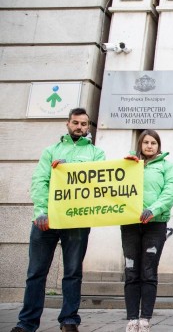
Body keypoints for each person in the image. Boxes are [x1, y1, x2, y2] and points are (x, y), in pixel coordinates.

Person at [12, 108, 106, 332]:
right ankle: (26, 324)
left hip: (76, 222)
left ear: (88, 127)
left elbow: (100, 184)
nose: (79, 127)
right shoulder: (50, 151)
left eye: (84, 124)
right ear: (67, 124)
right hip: (47, 221)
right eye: (75, 123)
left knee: (73, 273)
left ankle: (69, 321)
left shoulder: (97, 154)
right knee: (36, 273)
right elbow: (40, 182)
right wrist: (40, 212)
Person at [122, 130, 173, 332]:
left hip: (155, 224)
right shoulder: (128, 165)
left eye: (153, 142)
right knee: (131, 271)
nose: (149, 146)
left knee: (148, 271)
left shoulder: (168, 167)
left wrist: (153, 210)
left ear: (159, 145)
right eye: (145, 142)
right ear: (140, 144)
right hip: (130, 224)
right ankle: (131, 319)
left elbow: (170, 192)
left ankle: (145, 318)